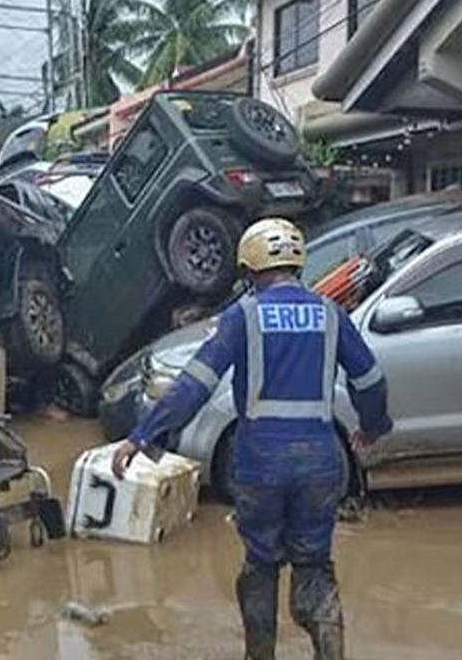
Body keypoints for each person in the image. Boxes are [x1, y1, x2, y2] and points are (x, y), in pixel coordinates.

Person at [112, 217, 392, 660]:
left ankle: (259, 654)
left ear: (249, 271)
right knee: (314, 563)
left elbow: (194, 384)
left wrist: (144, 435)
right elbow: (371, 380)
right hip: (321, 460)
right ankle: (330, 648)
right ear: (297, 266)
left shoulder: (243, 317)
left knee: (261, 564)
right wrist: (372, 427)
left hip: (260, 462)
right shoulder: (332, 315)